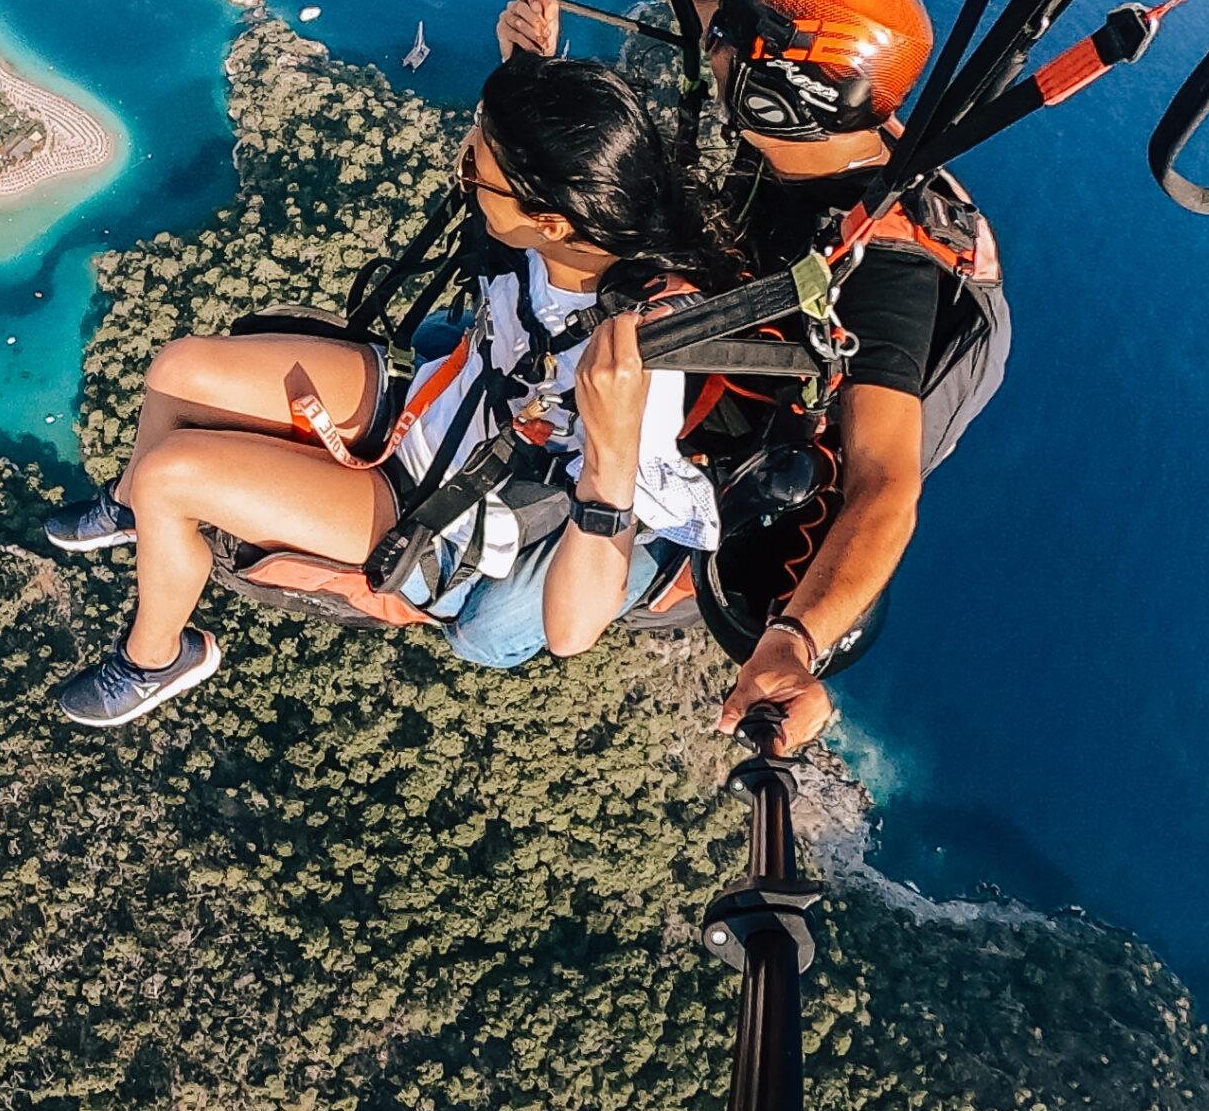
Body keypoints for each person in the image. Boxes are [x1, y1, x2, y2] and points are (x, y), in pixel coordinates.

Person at [44, 55, 735, 729]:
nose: (461, 170)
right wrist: (525, 70)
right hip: (430, 405)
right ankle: (134, 506)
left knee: (173, 477)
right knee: (178, 368)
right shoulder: (567, 233)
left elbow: (572, 631)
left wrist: (612, 453)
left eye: (476, 171)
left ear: (551, 220)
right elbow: (533, 175)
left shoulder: (637, 363)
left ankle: (154, 658)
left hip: (433, 509)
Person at [498, 0, 977, 756]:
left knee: (497, 621)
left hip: (711, 477)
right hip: (683, 376)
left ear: (769, 101)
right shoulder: (826, 124)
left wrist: (794, 640)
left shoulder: (887, 267)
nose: (709, 53)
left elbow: (885, 483)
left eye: (728, 54)